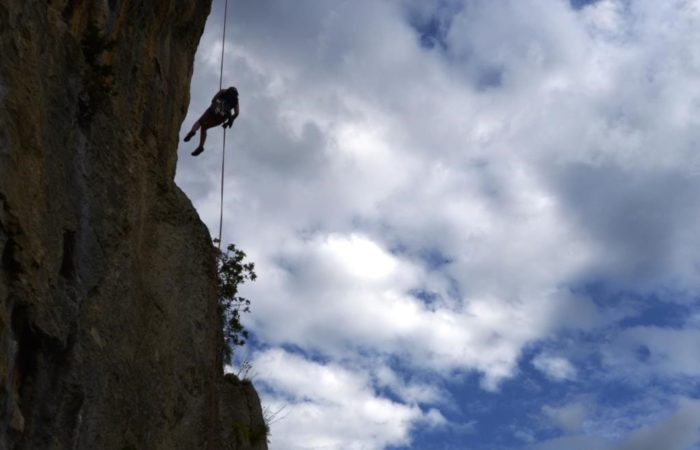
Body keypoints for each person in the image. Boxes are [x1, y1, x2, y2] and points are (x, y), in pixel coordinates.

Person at [184, 86, 239, 156]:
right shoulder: (236, 100)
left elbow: (213, 100)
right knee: (204, 128)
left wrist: (218, 103)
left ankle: (192, 131)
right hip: (222, 117)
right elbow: (237, 113)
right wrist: (228, 122)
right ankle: (200, 146)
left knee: (200, 122)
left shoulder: (223, 91)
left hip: (213, 110)